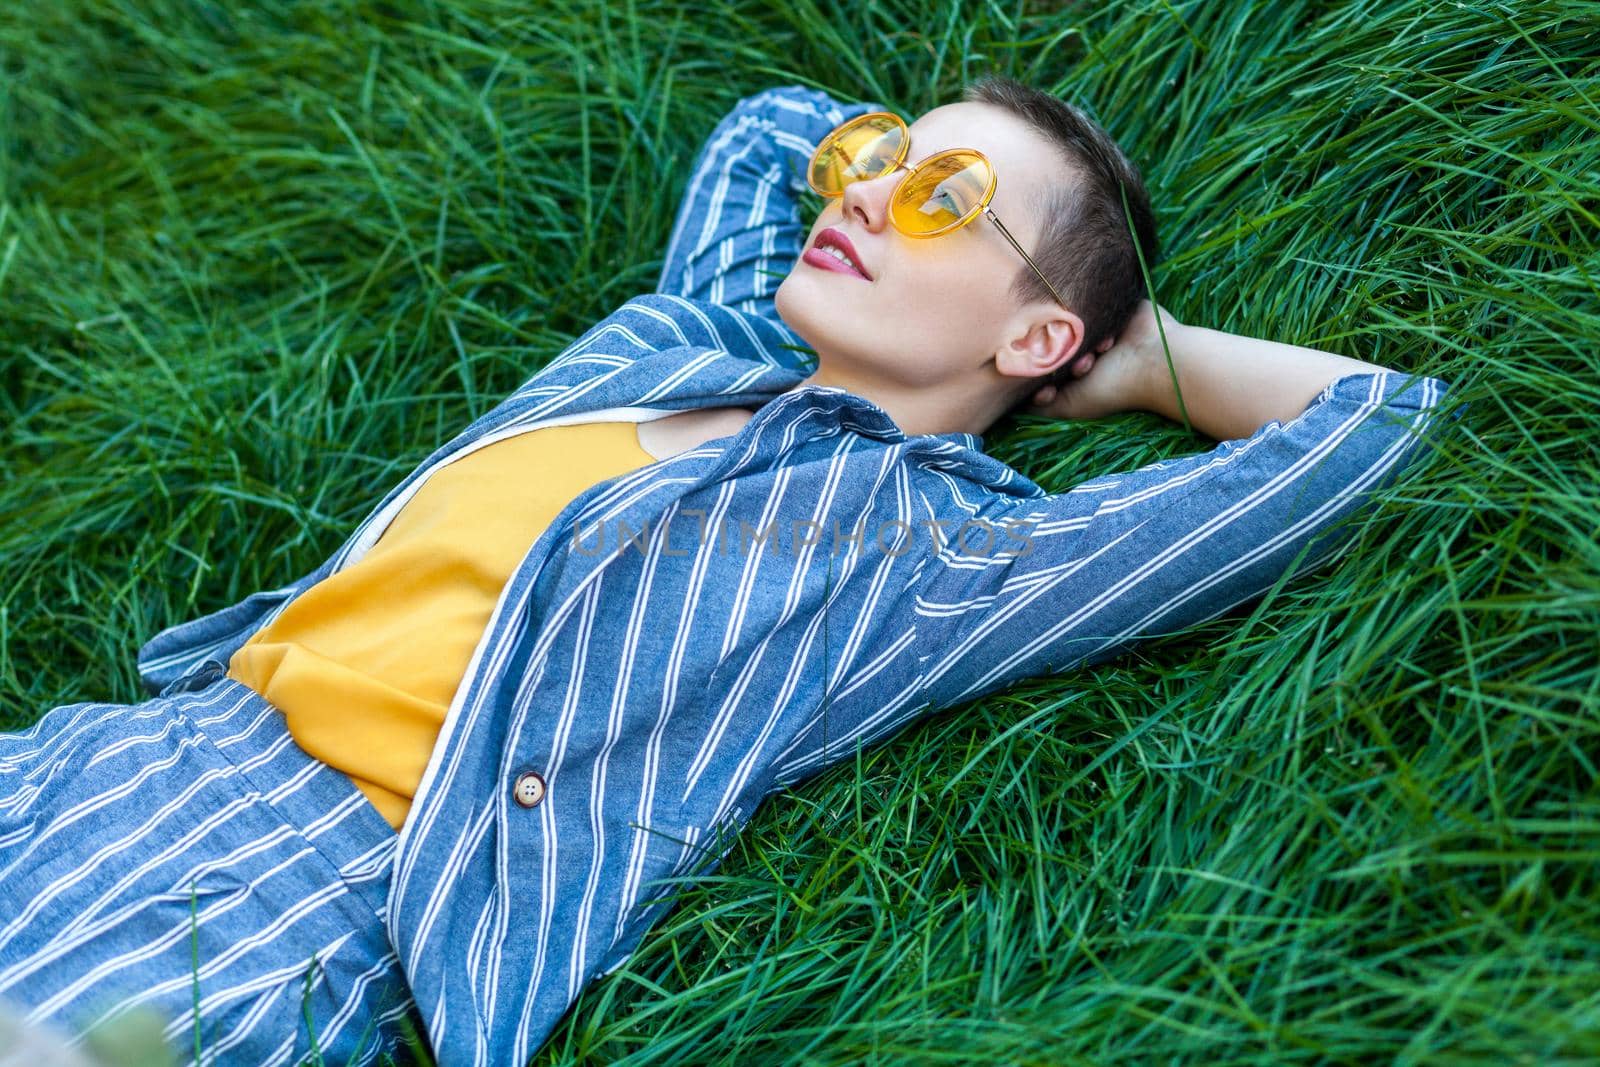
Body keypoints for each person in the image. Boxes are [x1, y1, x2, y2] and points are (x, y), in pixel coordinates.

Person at [0, 77, 1458, 1066]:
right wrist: (916, 174)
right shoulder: (679, 342)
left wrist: (1131, 358)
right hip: (119, 757)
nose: (876, 193)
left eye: (948, 196)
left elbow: (1372, 432)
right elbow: (772, 128)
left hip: (304, 896)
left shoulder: (933, 552)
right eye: (880, 160)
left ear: (1031, 341)